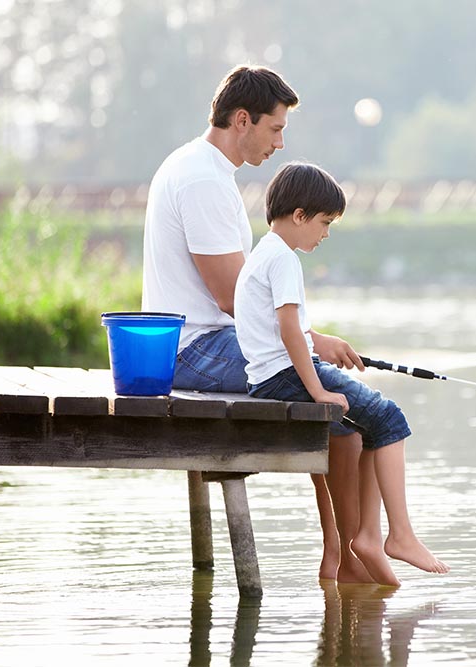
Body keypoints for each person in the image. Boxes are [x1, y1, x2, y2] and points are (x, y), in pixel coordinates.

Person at [141, 65, 376, 584]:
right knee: (338, 401)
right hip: (196, 349)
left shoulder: (196, 166)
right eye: (274, 128)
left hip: (201, 341)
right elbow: (233, 298)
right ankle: (343, 556)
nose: (279, 142)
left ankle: (341, 551)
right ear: (242, 119)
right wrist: (311, 343)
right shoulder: (203, 179)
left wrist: (311, 344)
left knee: (328, 391)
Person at [234, 161, 449, 584]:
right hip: (287, 377)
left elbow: (286, 332)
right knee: (390, 418)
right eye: (324, 222)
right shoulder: (283, 260)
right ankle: (398, 535)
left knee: (372, 426)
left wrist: (321, 357)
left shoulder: (264, 253)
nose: (326, 233)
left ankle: (369, 538)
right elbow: (290, 330)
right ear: (299, 216)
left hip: (268, 377)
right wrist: (316, 390)